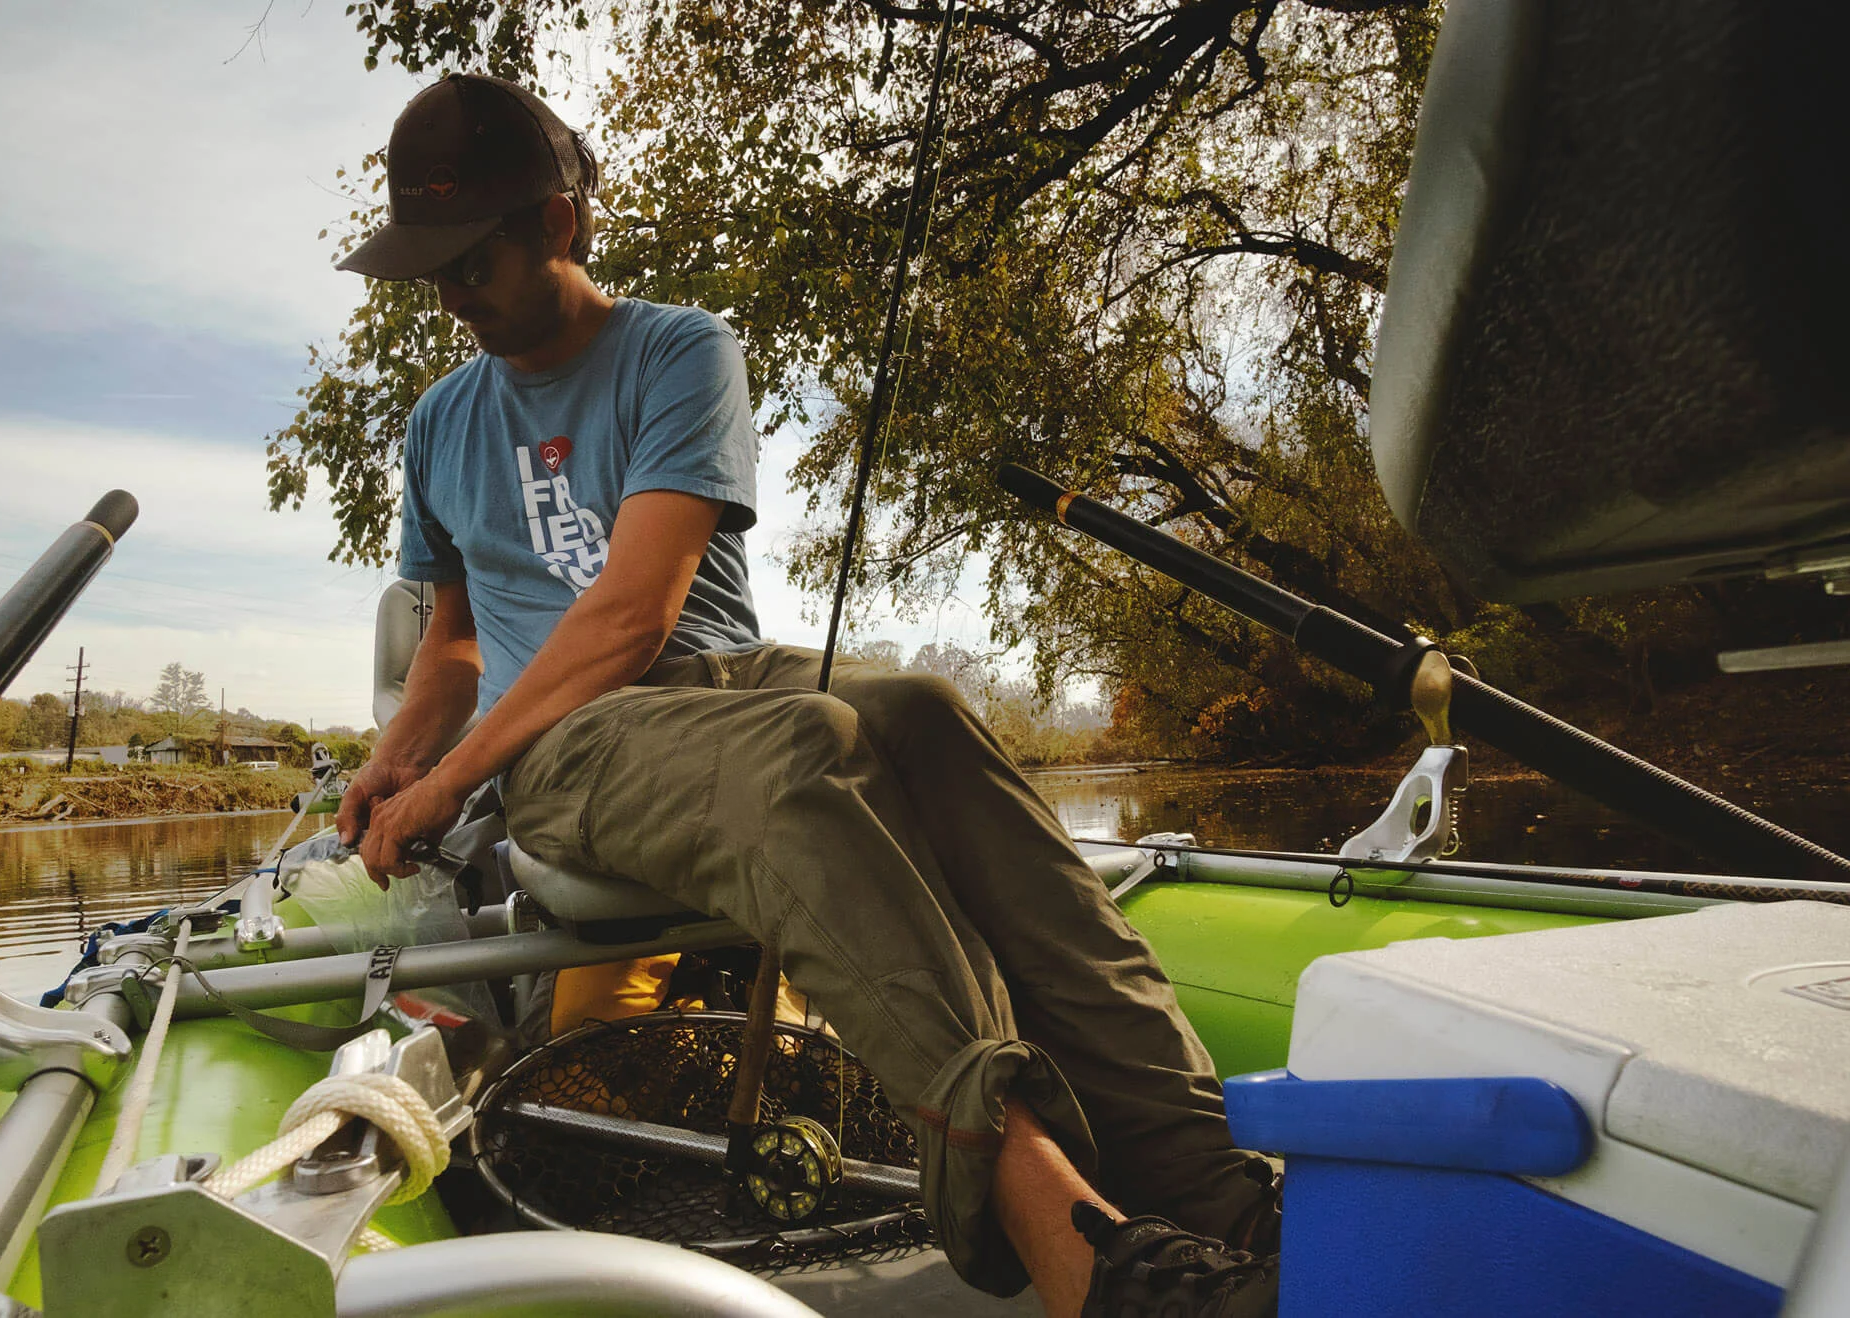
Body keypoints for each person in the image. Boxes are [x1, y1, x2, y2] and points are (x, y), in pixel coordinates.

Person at [331, 72, 1281, 1318]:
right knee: (803, 749)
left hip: (711, 680)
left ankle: (1210, 1189)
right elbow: (451, 649)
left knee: (923, 713)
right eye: (429, 271)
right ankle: (1075, 1245)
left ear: (558, 224)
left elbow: (632, 616)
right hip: (563, 745)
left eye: (473, 260)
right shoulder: (437, 425)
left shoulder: (680, 349)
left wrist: (445, 776)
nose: (451, 296)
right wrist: (403, 763)